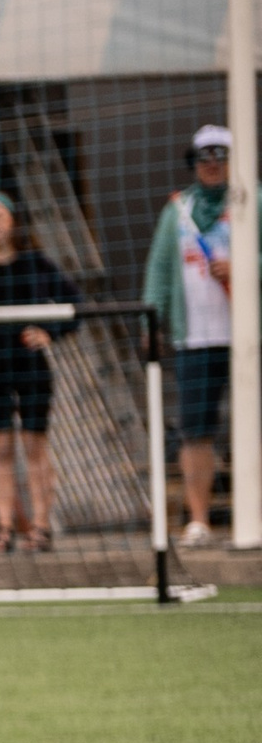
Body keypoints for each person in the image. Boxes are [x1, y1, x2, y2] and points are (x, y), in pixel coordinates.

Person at [0, 193, 81, 552]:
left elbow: (76, 303)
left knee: (34, 445)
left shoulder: (35, 263)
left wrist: (48, 332)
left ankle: (41, 525)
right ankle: (5, 526)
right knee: (0, 448)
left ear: (13, 221)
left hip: (30, 366)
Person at [143, 125, 233, 546]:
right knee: (196, 429)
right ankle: (198, 520)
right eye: (203, 158)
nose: (212, 165)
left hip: (248, 337)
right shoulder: (177, 210)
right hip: (194, 338)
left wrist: (244, 267)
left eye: (220, 155)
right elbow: (159, 272)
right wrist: (153, 322)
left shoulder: (253, 200)